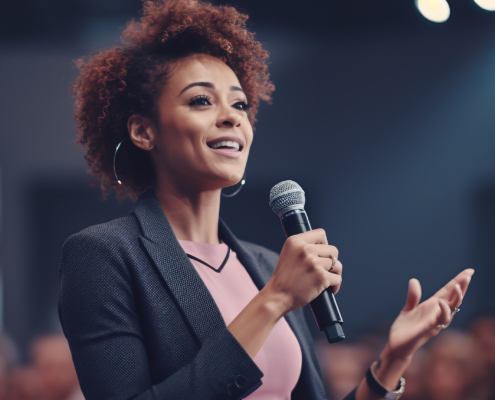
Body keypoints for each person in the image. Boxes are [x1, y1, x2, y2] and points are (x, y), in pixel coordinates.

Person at [58, 0, 474, 399]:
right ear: (143, 131)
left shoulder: (266, 265)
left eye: (240, 103)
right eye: (201, 100)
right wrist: (273, 300)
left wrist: (394, 358)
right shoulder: (103, 256)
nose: (232, 116)